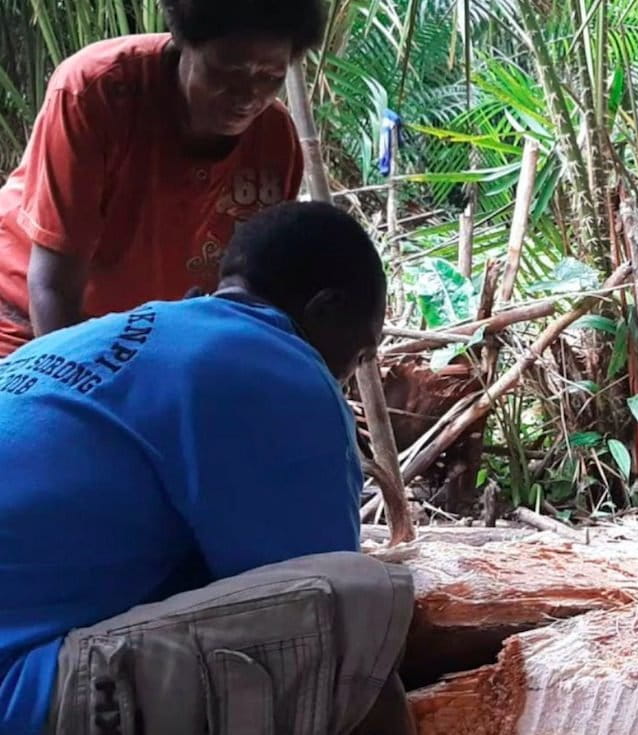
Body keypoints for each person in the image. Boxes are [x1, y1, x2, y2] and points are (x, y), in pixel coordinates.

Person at [0, 201, 415, 735]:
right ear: (325, 310)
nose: (350, 374)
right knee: (358, 604)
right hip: (16, 689)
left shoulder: (100, 339)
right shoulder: (276, 366)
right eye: (360, 354)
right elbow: (328, 617)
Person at [0, 0, 326, 357]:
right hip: (26, 322)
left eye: (270, 77)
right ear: (183, 42)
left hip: (146, 340)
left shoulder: (275, 142)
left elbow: (254, 294)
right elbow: (52, 286)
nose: (248, 95)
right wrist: (71, 389)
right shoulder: (97, 93)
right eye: (228, 71)